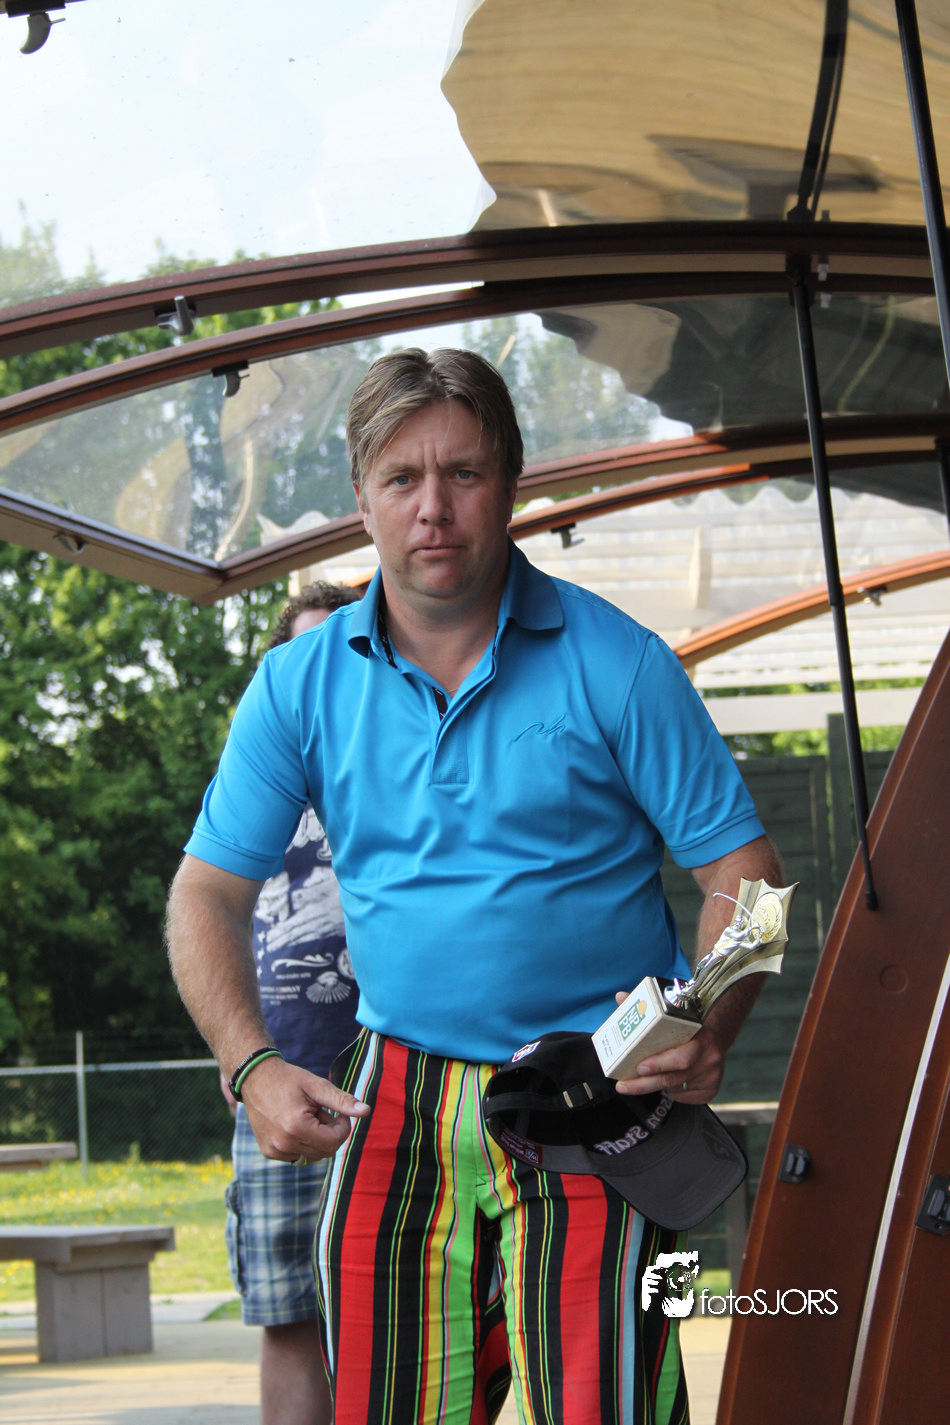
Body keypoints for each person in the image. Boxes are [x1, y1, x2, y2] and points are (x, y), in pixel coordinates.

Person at [167, 348, 783, 1425]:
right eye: (402, 478)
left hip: (599, 1082)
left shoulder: (620, 661)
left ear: (510, 483)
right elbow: (204, 896)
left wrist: (708, 1019)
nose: (433, 508)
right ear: (361, 495)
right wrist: (248, 1063)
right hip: (392, 1090)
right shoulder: (297, 682)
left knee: (609, 1404)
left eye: (463, 472)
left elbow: (753, 879)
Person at [220, 582, 362, 1425]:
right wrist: (233, 1049)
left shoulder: (395, 760)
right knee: (287, 1311)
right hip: (278, 1075)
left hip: (398, 1071)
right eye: (301, 654)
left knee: (412, 1307)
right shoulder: (254, 774)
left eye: (336, 649)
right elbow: (212, 914)